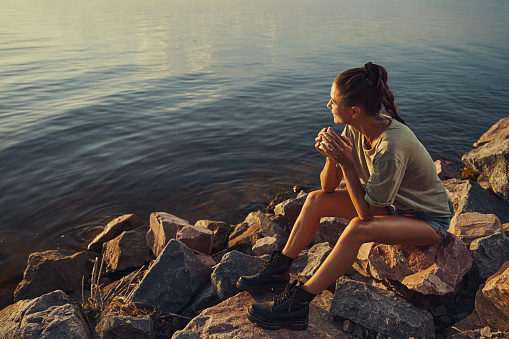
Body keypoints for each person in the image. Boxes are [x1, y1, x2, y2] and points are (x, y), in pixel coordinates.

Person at [236, 62, 454, 330]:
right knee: (315, 199)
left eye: (333, 101)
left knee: (357, 229)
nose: (327, 105)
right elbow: (327, 188)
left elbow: (366, 214)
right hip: (394, 207)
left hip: (427, 219)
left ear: (354, 111)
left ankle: (297, 304)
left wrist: (348, 163)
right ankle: (279, 270)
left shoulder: (390, 147)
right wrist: (332, 157)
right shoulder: (356, 127)